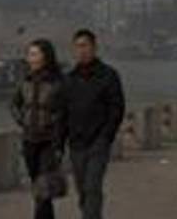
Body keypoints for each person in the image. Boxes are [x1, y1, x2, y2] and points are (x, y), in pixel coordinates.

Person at [62, 29, 125, 219]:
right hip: (76, 144)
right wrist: (59, 142)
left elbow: (117, 108)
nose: (82, 51)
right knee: (82, 190)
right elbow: (63, 113)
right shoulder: (69, 79)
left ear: (94, 48)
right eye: (77, 47)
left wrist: (106, 136)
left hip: (98, 142)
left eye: (85, 46)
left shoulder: (108, 76)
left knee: (92, 186)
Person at [11, 39, 67, 219]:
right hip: (29, 141)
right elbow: (14, 104)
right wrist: (23, 121)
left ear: (46, 57)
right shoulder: (25, 82)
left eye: (34, 54)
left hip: (49, 142)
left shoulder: (58, 83)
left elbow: (65, 113)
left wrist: (58, 141)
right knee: (39, 189)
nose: (30, 58)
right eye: (29, 54)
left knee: (43, 188)